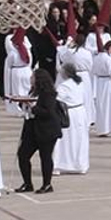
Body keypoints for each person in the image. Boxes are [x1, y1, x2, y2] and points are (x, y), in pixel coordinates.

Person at [16, 63, 65, 196]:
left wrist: (32, 106)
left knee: (45, 157)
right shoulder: (32, 91)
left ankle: (47, 184)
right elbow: (28, 107)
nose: (30, 78)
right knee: (23, 155)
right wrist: (22, 102)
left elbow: (47, 112)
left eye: (33, 77)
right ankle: (27, 183)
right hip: (31, 128)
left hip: (46, 129)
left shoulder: (49, 94)